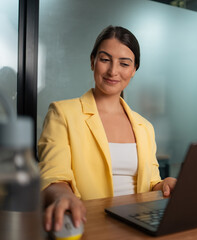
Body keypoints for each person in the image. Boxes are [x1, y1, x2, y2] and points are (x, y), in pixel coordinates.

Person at [38, 25, 177, 232]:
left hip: (139, 225)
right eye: (105, 60)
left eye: (124, 63)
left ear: (134, 69)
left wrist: (165, 184)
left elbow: (151, 183)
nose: (113, 71)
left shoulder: (144, 126)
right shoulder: (62, 113)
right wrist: (64, 197)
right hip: (89, 224)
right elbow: (53, 176)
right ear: (92, 61)